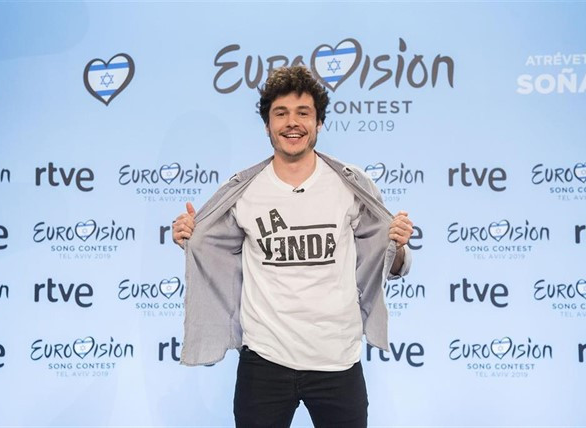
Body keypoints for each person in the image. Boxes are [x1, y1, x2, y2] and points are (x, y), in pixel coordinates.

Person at [172, 65, 413, 428]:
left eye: (303, 113)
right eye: (280, 113)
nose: (292, 123)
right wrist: (189, 236)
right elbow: (212, 250)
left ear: (319, 122)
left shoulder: (351, 185)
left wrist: (399, 247)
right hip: (264, 362)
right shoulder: (243, 190)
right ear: (267, 124)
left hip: (337, 361)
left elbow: (388, 261)